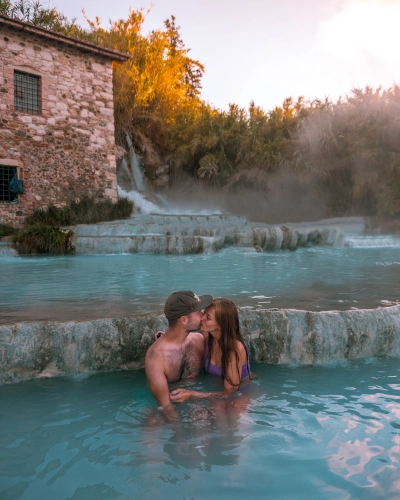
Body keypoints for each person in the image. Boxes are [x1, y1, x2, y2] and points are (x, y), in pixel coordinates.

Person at [170, 298, 252, 403]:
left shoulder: (235, 348)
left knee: (234, 410)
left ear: (221, 325)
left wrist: (192, 394)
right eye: (204, 313)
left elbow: (231, 393)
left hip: (242, 391)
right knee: (216, 408)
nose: (202, 318)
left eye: (208, 317)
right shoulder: (208, 335)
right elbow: (188, 337)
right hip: (217, 389)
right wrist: (168, 337)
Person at [145, 290, 213, 410]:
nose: (203, 316)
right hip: (172, 405)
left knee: (200, 415)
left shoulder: (199, 340)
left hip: (198, 399)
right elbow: (165, 406)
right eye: (198, 312)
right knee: (152, 424)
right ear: (184, 320)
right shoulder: (156, 357)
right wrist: (179, 428)